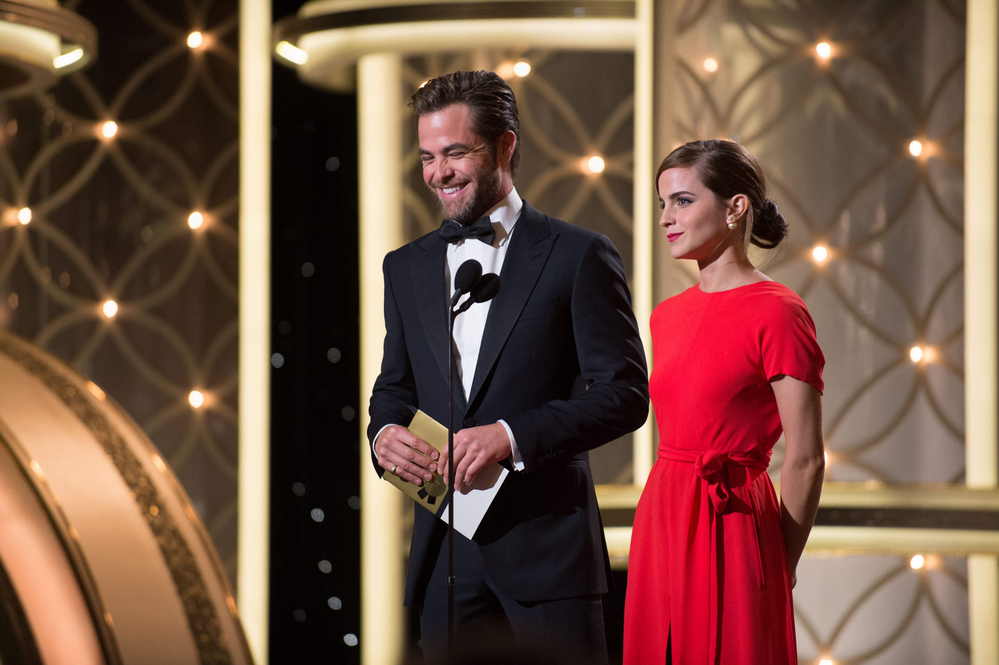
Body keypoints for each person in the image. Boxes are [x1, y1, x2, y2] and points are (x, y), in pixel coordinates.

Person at [367, 70, 649, 664]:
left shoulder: (578, 253)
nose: (438, 173)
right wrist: (385, 434)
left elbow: (625, 393)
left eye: (455, 153)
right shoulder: (405, 266)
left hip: (547, 553)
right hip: (443, 553)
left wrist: (509, 437)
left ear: (505, 147)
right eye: (426, 156)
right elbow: (394, 388)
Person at [623, 140, 826, 665]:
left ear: (736, 208)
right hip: (661, 513)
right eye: (663, 203)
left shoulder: (779, 313)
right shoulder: (666, 316)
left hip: (734, 518)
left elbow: (805, 456)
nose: (667, 218)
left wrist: (780, 560)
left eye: (684, 201)